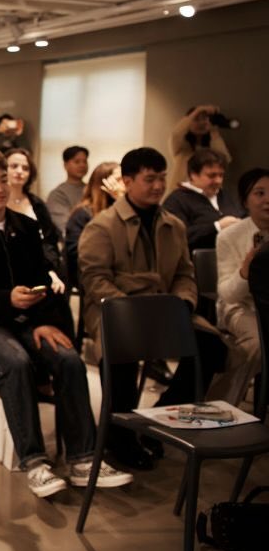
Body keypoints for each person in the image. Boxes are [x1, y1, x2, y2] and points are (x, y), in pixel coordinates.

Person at [0, 147, 133, 500]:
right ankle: (34, 462)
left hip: (25, 319)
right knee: (15, 361)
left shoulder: (26, 227)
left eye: (3, 180)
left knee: (68, 358)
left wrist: (44, 320)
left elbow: (41, 281)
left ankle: (83, 458)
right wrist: (6, 300)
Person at [78, 146, 227, 469]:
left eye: (162, 178)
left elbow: (185, 274)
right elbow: (95, 280)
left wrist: (183, 303)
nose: (158, 186)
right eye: (149, 179)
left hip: (166, 308)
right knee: (122, 352)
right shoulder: (102, 226)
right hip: (115, 310)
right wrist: (131, 311)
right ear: (128, 181)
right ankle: (119, 437)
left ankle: (157, 420)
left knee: (212, 346)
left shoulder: (173, 225)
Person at [215, 166, 269, 404]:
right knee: (258, 343)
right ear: (245, 200)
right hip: (240, 307)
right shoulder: (229, 236)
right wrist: (246, 271)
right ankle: (223, 403)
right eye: (260, 193)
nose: (268, 200)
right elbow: (228, 295)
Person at [4, 147, 68, 292]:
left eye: (25, 168)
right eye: (14, 166)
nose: (19, 171)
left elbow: (48, 241)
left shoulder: (37, 204)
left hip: (38, 267)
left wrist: (51, 271)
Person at [163, 148, 243, 254]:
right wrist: (217, 227)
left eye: (221, 175)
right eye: (212, 176)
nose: (218, 181)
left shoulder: (225, 196)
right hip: (197, 262)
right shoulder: (176, 200)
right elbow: (178, 238)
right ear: (193, 175)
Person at [65, 161, 121, 291]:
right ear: (104, 183)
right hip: (94, 282)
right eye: (119, 179)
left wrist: (122, 199)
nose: (124, 183)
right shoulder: (82, 214)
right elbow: (77, 255)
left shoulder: (121, 209)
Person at [168, 104, 231, 191]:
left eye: (205, 119)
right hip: (181, 195)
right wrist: (198, 110)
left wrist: (213, 131)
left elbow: (225, 159)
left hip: (207, 196)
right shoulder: (182, 148)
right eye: (196, 119)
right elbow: (176, 134)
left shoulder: (212, 149)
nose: (201, 123)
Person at [45, 145, 90, 239]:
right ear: (65, 165)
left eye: (85, 161)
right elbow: (66, 227)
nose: (82, 165)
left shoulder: (91, 189)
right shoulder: (58, 194)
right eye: (77, 161)